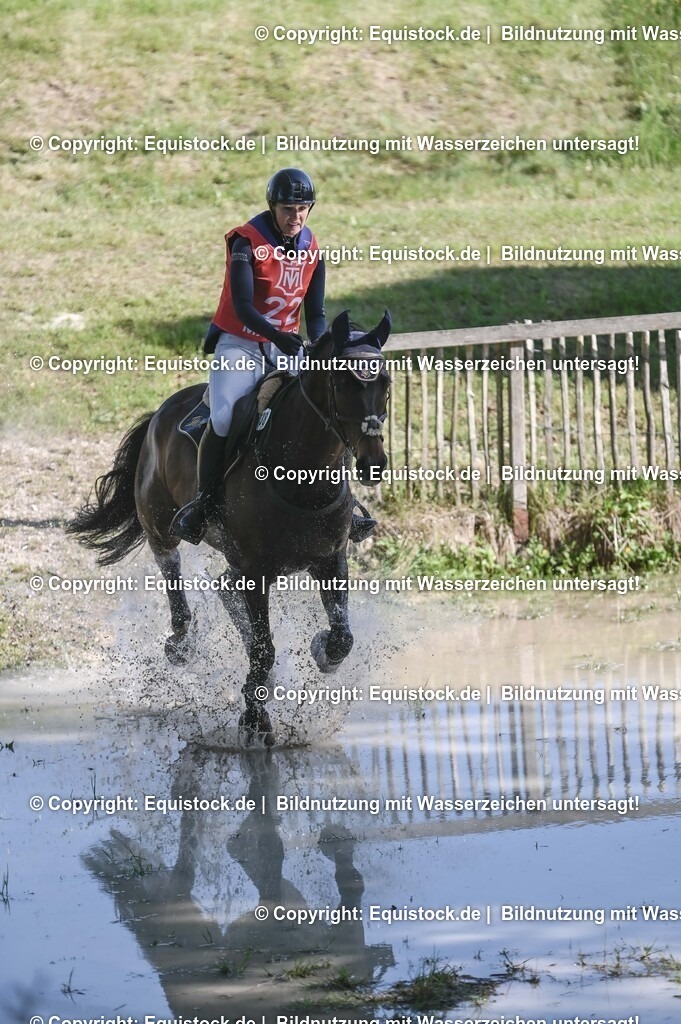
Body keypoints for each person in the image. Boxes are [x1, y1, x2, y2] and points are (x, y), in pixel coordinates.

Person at [172, 167, 376, 546]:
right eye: (287, 208)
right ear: (272, 206)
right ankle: (204, 504)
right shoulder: (246, 243)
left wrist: (316, 346)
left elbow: (315, 315)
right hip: (240, 344)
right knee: (223, 415)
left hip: (287, 348)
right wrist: (277, 337)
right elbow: (243, 306)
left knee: (328, 407)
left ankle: (346, 505)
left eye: (303, 209)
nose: (295, 217)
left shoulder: (312, 248)